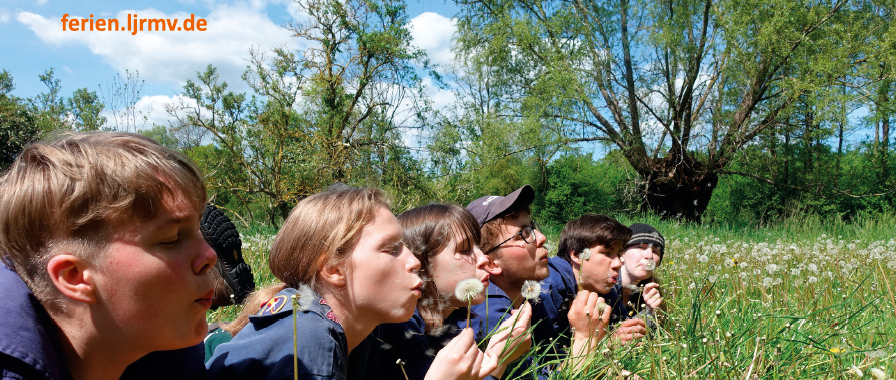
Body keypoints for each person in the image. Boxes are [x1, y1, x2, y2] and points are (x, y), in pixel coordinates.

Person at [207, 188, 493, 380]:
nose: (415, 262)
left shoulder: (363, 334)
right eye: (391, 248)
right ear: (333, 269)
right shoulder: (309, 342)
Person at [0, 132, 216, 380]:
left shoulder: (168, 353)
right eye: (171, 240)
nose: (209, 255)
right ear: (75, 276)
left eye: (198, 231)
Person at [464, 186, 610, 375]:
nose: (541, 237)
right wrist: (586, 339)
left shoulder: (527, 297)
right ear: (490, 262)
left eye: (533, 228)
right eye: (523, 234)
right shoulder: (489, 316)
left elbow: (551, 363)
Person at [379, 203, 532, 380]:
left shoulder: (451, 326)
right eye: (464, 250)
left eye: (478, 247)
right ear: (422, 265)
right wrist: (499, 357)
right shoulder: (403, 330)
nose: (483, 259)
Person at [544, 214, 648, 347]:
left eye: (619, 255)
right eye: (607, 253)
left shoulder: (603, 287)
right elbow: (543, 359)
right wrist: (606, 343)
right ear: (577, 254)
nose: (618, 263)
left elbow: (624, 331)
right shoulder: (549, 287)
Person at [613, 223, 666, 328]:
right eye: (641, 247)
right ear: (622, 254)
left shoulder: (652, 293)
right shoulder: (605, 287)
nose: (649, 256)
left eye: (655, 251)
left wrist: (651, 311)